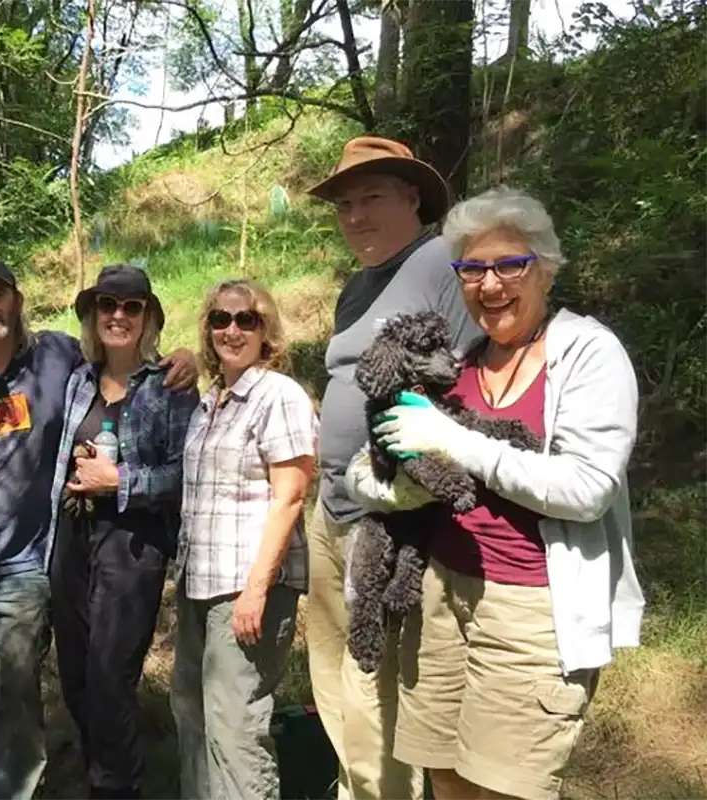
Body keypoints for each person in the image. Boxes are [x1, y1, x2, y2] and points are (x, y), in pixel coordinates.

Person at [345, 186, 644, 800]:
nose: (490, 284)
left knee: (505, 789)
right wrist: (396, 485)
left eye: (510, 264)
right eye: (472, 268)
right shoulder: (465, 361)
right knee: (448, 780)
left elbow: (587, 488)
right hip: (439, 597)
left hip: (531, 612)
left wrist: (458, 444)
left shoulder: (588, 354)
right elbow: (365, 470)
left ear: (546, 268)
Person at [0, 260, 197, 800]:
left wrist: (187, 357)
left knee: (18, 696)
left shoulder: (54, 355)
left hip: (29, 566)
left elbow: (136, 364)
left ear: (17, 302)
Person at [303, 135, 483, 800]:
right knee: (331, 672)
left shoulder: (443, 261)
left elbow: (467, 380)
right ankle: (352, 786)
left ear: (413, 197)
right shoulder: (356, 286)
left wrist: (411, 484)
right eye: (345, 205)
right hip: (328, 513)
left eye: (371, 198)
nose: (355, 216)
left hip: (388, 517)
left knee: (376, 684)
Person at [46, 266, 199, 800]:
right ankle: (98, 774)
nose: (118, 315)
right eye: (107, 304)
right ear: (92, 315)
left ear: (147, 318)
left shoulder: (170, 387)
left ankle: (118, 787)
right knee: (77, 677)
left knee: (111, 680)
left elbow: (188, 474)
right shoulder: (76, 380)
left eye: (131, 307)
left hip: (132, 546)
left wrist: (119, 481)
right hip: (71, 537)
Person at [170, 278, 317, 800]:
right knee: (192, 714)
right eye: (219, 319)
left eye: (246, 320)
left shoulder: (278, 396)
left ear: (266, 331)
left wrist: (257, 589)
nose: (231, 330)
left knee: (234, 729)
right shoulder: (214, 400)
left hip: (246, 588)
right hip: (199, 582)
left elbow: (290, 497)